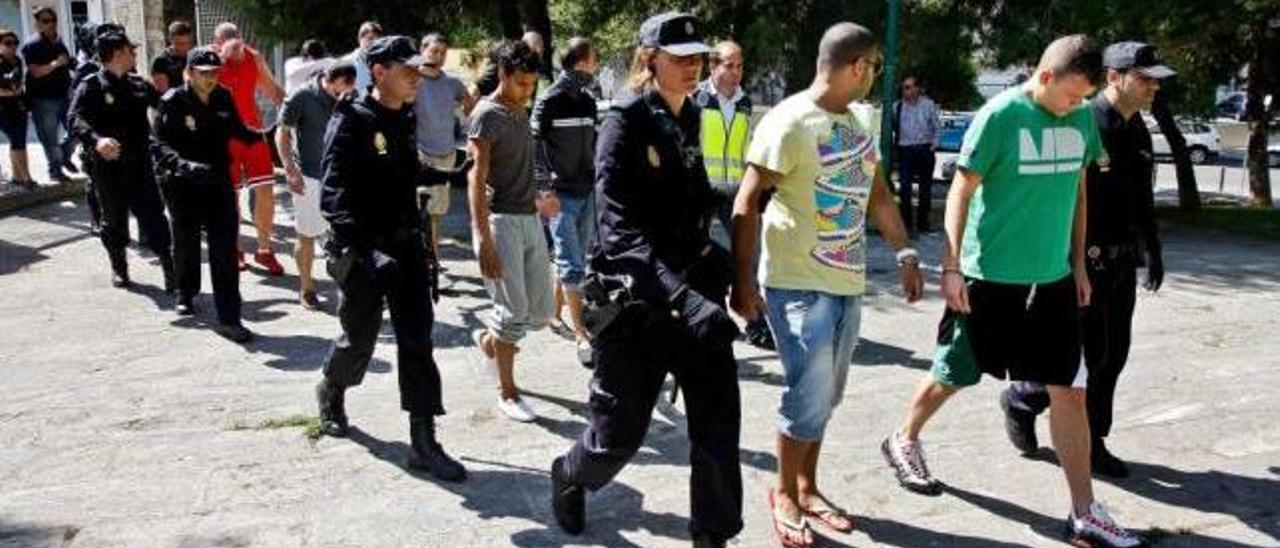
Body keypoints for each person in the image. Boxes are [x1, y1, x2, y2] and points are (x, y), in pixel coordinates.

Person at [878, 35, 1145, 548]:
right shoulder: (999, 116)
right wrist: (951, 266)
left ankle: (1084, 512)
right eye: (1070, 96)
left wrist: (1078, 261)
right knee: (954, 372)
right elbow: (961, 188)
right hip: (989, 277)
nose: (1076, 106)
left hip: (1053, 283)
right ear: (1044, 77)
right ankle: (903, 437)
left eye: (1084, 98)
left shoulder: (1083, 118)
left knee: (1069, 389)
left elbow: (1080, 189)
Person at [549, 13, 743, 547]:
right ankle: (569, 473)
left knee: (718, 424)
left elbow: (695, 197)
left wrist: (741, 218)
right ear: (648, 59)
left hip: (692, 295)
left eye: (696, 58)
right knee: (617, 437)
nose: (690, 67)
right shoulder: (625, 121)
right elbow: (617, 231)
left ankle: (713, 534)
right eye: (678, 57)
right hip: (636, 302)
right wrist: (680, 295)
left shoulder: (691, 115)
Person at [731, 23, 924, 547]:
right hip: (796, 284)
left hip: (846, 281)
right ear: (857, 66)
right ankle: (784, 494)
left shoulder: (861, 119)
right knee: (807, 392)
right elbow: (746, 203)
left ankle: (807, 486)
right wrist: (742, 282)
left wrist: (905, 251)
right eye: (874, 68)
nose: (874, 77)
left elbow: (877, 194)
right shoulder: (789, 121)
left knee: (827, 396)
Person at [1002, 41, 1172, 480]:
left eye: (1156, 80)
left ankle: (1089, 433)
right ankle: (1029, 401)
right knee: (1084, 358)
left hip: (1121, 264)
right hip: (1082, 264)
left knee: (1114, 355)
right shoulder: (1083, 121)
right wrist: (1069, 261)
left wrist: (1152, 247)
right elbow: (1061, 198)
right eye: (1145, 78)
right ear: (1114, 77)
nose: (1154, 86)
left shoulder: (1137, 130)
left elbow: (1142, 198)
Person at [314, 35, 466, 483]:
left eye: (418, 70)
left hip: (405, 247)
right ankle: (332, 386)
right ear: (379, 72)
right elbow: (334, 198)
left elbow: (401, 171)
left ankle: (423, 441)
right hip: (363, 251)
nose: (416, 77)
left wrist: (446, 173)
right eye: (408, 71)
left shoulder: (404, 117)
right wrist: (366, 252)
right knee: (359, 338)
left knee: (418, 340)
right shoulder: (351, 120)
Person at [467, 39, 557, 423]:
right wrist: (484, 239)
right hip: (499, 221)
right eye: (521, 82)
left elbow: (518, 165)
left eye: (532, 83)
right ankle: (507, 391)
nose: (527, 90)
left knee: (539, 314)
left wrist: (540, 197)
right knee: (513, 312)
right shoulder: (487, 114)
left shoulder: (522, 113)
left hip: (529, 218)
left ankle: (490, 340)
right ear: (503, 75)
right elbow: (477, 177)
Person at [151, 46, 262, 344]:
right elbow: (158, 146)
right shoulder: (172, 101)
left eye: (214, 72)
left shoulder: (223, 96)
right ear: (189, 72)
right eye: (204, 73)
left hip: (217, 181)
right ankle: (185, 292)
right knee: (185, 242)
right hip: (182, 183)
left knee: (224, 249)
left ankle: (229, 318)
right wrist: (184, 165)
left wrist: (262, 135)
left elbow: (237, 129)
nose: (211, 77)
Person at [68, 30, 175, 292]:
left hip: (140, 165)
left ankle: (171, 270)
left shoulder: (138, 84)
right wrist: (97, 140)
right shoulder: (90, 86)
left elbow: (165, 107)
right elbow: (74, 119)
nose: (135, 55)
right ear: (117, 54)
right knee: (114, 221)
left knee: (155, 217)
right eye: (131, 50)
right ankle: (119, 266)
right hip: (108, 168)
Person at [693, 39, 775, 351]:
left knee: (747, 258)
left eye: (740, 65)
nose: (736, 72)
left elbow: (745, 147)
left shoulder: (744, 103)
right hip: (703, 191)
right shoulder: (696, 98)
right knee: (697, 257)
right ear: (713, 66)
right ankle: (707, 318)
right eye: (729, 65)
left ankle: (756, 324)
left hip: (736, 192)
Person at [532, 36, 598, 366]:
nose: (596, 65)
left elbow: (594, 144)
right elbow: (535, 144)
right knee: (573, 264)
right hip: (560, 196)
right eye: (593, 59)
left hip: (587, 191)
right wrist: (544, 189)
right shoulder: (550, 99)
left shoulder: (587, 100)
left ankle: (555, 314)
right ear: (579, 62)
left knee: (571, 258)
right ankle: (581, 334)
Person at [276, 61, 356, 310]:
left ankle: (352, 288)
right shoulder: (303, 96)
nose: (343, 96)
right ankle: (306, 287)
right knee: (308, 233)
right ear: (328, 80)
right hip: (309, 177)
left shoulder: (349, 95)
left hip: (342, 176)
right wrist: (290, 169)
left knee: (349, 235)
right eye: (339, 90)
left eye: (348, 90)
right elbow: (282, 133)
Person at [210, 22, 286, 275]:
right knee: (230, 196)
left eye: (237, 39)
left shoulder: (253, 58)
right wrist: (221, 60)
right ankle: (234, 249)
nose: (235, 45)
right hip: (222, 137)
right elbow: (195, 92)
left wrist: (292, 117)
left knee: (265, 190)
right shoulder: (209, 61)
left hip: (251, 132)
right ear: (217, 42)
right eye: (228, 40)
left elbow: (273, 90)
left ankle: (264, 250)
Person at [413, 32, 475, 259]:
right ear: (422, 50)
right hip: (420, 156)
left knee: (437, 213)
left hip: (445, 155)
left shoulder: (452, 83)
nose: (439, 56)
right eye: (434, 51)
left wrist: (469, 137)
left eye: (443, 53)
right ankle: (424, 264)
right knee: (420, 214)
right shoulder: (412, 80)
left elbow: (471, 108)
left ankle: (433, 262)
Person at [20, 6, 75, 184]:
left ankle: (63, 156)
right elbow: (35, 72)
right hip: (43, 100)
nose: (51, 24)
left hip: (64, 96)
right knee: (50, 138)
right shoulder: (32, 44)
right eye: (46, 21)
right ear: (37, 23)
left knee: (76, 130)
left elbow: (67, 63)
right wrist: (56, 63)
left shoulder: (58, 41)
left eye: (53, 20)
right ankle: (56, 170)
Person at [891, 75, 940, 233]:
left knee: (925, 189)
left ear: (918, 88)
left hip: (925, 149)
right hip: (906, 150)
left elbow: (936, 127)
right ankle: (906, 225)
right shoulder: (897, 107)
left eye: (909, 87)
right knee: (905, 188)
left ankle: (923, 225)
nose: (906, 90)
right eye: (904, 87)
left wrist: (934, 145)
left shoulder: (928, 105)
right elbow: (893, 127)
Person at [0, 28, 33, 190]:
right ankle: (26, 177)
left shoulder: (17, 60)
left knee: (19, 142)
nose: (12, 46)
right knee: (17, 141)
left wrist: (17, 92)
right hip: (3, 109)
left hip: (18, 106)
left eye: (15, 43)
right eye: (7, 43)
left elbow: (19, 84)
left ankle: (17, 176)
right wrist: (12, 91)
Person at [150, 21, 194, 95]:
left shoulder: (195, 56)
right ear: (170, 40)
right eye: (179, 43)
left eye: (188, 43)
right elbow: (163, 91)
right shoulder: (161, 61)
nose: (184, 47)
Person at [343, 21, 382, 95]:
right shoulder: (347, 62)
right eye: (370, 38)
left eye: (377, 40)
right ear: (359, 39)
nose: (374, 43)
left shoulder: (381, 62)